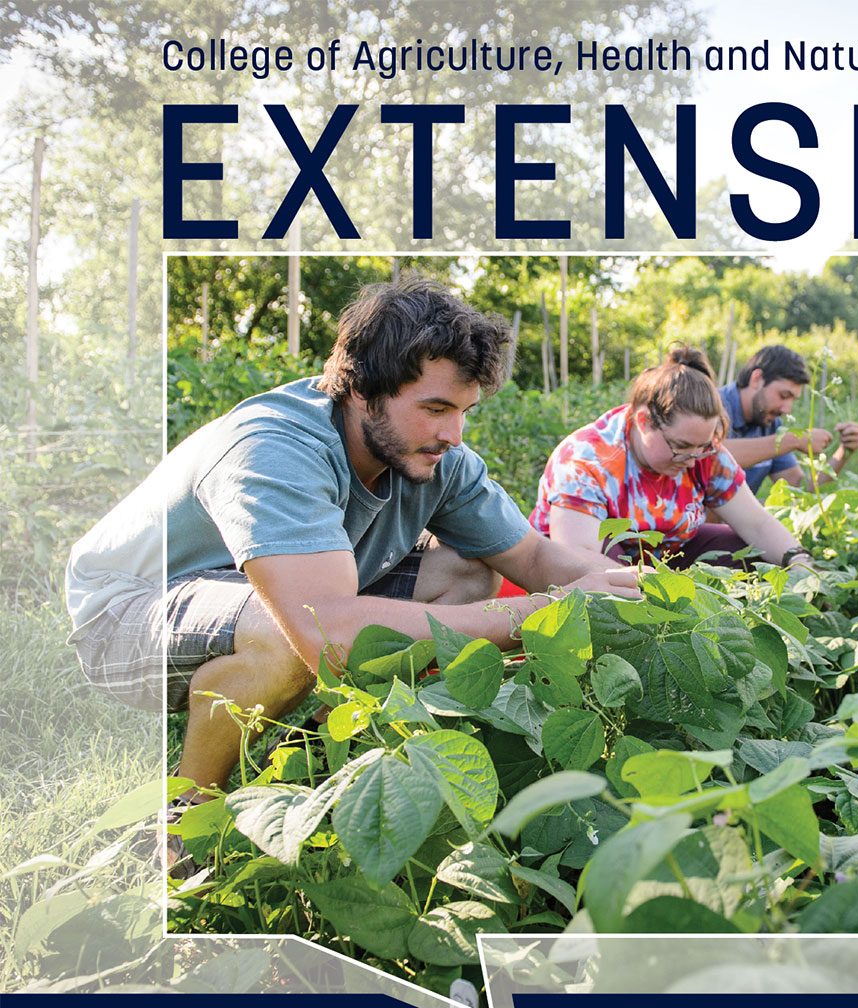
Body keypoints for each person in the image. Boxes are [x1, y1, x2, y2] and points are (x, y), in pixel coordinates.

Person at [65, 278, 638, 805]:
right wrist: (543, 612)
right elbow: (324, 630)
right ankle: (186, 817)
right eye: (435, 408)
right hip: (127, 615)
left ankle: (313, 757)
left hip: (270, 595)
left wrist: (626, 592)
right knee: (294, 633)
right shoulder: (274, 447)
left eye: (463, 412)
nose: (452, 434)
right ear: (362, 390)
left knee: (468, 569)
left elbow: (533, 555)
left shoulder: (437, 456)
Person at [529, 346, 809, 569]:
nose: (691, 460)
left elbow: (757, 523)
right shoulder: (587, 460)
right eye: (680, 447)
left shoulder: (703, 454)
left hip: (662, 560)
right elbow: (575, 556)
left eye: (703, 447)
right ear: (644, 421)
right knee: (610, 566)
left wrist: (798, 561)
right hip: (581, 565)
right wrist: (654, 590)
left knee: (751, 552)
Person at [717, 344, 858, 493]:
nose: (787, 410)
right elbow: (709, 456)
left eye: (792, 400)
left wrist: (843, 452)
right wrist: (794, 440)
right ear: (756, 379)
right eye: (784, 396)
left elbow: (800, 490)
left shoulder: (770, 424)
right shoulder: (713, 407)